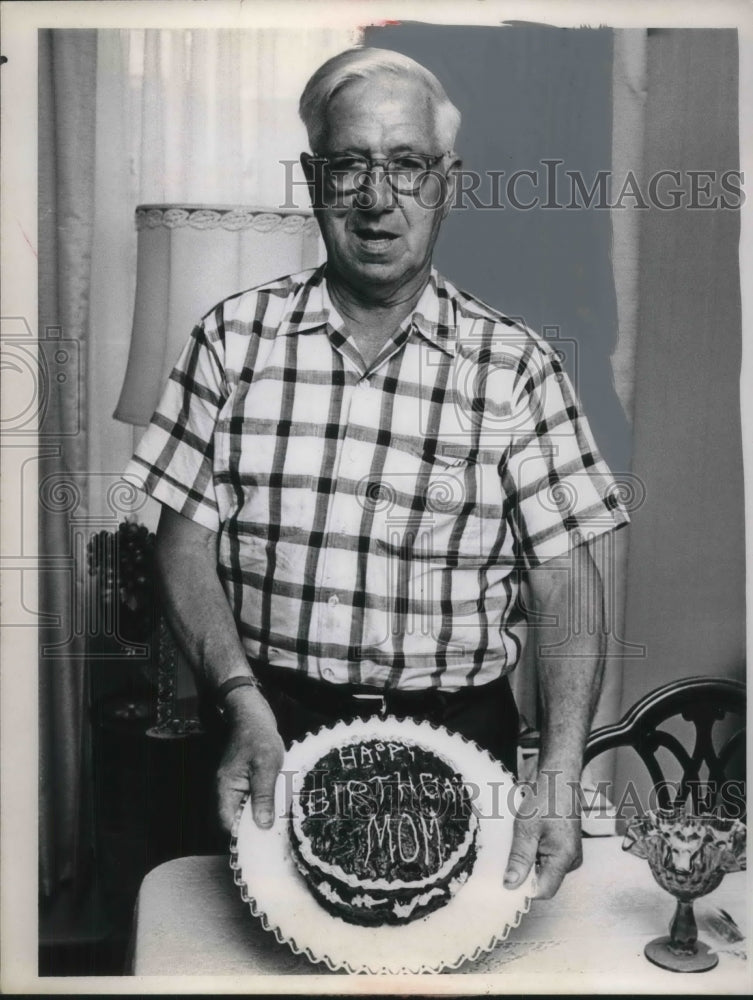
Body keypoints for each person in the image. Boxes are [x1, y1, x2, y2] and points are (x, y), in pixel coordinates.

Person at [124, 47, 629, 899]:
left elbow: (565, 588)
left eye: (406, 165)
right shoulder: (230, 340)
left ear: (447, 183)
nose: (376, 198)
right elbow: (181, 547)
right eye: (349, 164)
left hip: (461, 744)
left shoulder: (516, 368)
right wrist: (239, 697)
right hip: (271, 733)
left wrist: (562, 768)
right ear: (314, 177)